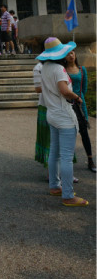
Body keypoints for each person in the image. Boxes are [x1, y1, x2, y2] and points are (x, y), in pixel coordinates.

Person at [37, 37, 88, 207]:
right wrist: (76, 97)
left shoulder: (45, 68)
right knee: (66, 157)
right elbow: (64, 90)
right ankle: (67, 195)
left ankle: (54, 186)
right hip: (64, 115)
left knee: (55, 152)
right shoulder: (59, 69)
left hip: (52, 113)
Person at [65, 50, 96, 172]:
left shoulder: (82, 70)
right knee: (69, 133)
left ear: (75, 55)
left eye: (72, 53)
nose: (71, 55)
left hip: (80, 102)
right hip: (68, 103)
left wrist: (79, 98)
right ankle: (68, 161)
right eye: (68, 54)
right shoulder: (63, 70)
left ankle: (90, 160)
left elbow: (85, 88)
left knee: (84, 132)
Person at [33, 61, 50, 168]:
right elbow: (38, 89)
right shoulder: (39, 67)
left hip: (63, 106)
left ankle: (66, 171)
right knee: (48, 137)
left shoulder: (61, 65)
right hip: (46, 105)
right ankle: (51, 170)